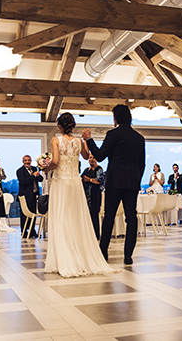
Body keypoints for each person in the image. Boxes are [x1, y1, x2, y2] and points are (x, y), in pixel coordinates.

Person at [44, 113, 117, 277]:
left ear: (59, 126)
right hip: (75, 183)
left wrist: (46, 168)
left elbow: (55, 161)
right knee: (76, 218)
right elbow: (85, 156)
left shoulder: (56, 140)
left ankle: (64, 259)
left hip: (61, 182)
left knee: (61, 218)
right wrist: (85, 140)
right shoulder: (78, 141)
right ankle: (79, 257)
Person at [83, 104, 145, 265]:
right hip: (132, 183)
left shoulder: (113, 134)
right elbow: (142, 164)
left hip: (115, 181)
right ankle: (128, 256)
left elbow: (100, 155)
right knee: (131, 217)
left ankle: (103, 252)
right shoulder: (139, 138)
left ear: (115, 119)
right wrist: (136, 180)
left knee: (109, 216)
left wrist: (89, 139)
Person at [16, 154, 43, 238]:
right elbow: (23, 181)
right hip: (25, 196)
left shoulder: (34, 169)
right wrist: (33, 176)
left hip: (34, 195)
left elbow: (41, 179)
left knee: (33, 214)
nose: (27, 162)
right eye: (25, 160)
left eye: (29, 160)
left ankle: (32, 230)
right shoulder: (20, 171)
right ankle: (24, 231)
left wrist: (37, 175)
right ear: (23, 161)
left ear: (31, 161)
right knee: (24, 215)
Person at [81, 154, 104, 239]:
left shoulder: (99, 169)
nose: (92, 159)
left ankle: (96, 235)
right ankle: (87, 235)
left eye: (94, 157)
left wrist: (89, 179)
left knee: (94, 215)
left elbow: (100, 180)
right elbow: (82, 178)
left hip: (95, 196)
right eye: (90, 157)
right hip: (86, 196)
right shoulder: (86, 170)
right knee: (87, 216)